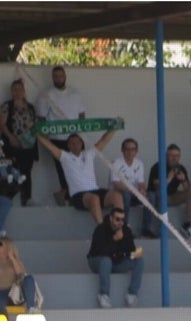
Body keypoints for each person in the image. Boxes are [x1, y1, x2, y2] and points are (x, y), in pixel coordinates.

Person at [36, 128, 117, 224]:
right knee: (94, 199)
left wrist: (114, 128)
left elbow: (104, 140)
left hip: (94, 190)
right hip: (77, 195)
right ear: (68, 146)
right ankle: (103, 230)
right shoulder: (65, 157)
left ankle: (120, 227)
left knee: (116, 196)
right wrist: (36, 133)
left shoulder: (89, 154)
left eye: (78, 142)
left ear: (82, 144)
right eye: (72, 143)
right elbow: (50, 146)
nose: (75, 145)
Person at [34, 66, 86, 204]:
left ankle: (68, 195)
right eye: (55, 76)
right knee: (63, 171)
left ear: (65, 76)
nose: (58, 78)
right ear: (52, 78)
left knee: (78, 169)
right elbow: (42, 119)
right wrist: (46, 140)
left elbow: (82, 115)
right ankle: (67, 196)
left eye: (61, 75)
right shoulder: (46, 95)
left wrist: (80, 135)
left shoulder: (75, 94)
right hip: (57, 140)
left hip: (74, 139)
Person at [86, 207, 143, 308]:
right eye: (117, 219)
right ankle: (104, 294)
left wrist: (135, 253)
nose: (120, 222)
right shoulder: (101, 229)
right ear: (111, 218)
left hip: (116, 261)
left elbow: (130, 250)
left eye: (122, 220)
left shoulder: (125, 230)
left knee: (139, 260)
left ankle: (132, 294)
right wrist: (115, 239)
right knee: (106, 261)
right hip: (97, 261)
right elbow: (101, 252)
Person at [145, 144, 191, 237]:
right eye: (172, 155)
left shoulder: (181, 168)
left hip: (172, 196)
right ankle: (162, 228)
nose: (175, 158)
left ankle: (187, 225)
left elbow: (187, 188)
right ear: (166, 156)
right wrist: (169, 177)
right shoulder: (158, 167)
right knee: (161, 194)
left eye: (177, 156)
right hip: (156, 198)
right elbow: (158, 186)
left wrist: (183, 179)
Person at [1, 80, 38, 206]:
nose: (18, 92)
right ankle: (11, 199)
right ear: (11, 92)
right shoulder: (7, 106)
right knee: (14, 171)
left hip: (28, 145)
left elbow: (35, 125)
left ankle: (27, 198)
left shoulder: (30, 107)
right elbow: (2, 124)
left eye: (20, 89)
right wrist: (11, 137)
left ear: (24, 91)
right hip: (13, 144)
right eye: (15, 89)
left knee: (27, 171)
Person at [106, 136, 146, 218]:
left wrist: (142, 190)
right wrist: (134, 190)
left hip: (135, 194)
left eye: (133, 149)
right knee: (126, 194)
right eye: (127, 149)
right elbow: (117, 184)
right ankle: (124, 224)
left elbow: (141, 182)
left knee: (151, 196)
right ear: (122, 150)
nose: (130, 152)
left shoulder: (139, 163)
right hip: (120, 194)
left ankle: (146, 228)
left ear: (136, 151)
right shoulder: (116, 163)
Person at [0, 237, 39, 314]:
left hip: (13, 293)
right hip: (1, 293)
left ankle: (31, 307)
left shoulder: (15, 261)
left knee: (28, 278)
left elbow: (21, 274)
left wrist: (12, 258)